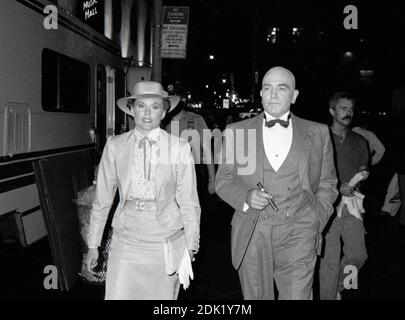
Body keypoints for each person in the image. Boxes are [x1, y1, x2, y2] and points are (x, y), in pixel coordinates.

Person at [215, 66, 338, 300]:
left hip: (300, 229)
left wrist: (316, 219)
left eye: (282, 89)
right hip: (253, 230)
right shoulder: (236, 131)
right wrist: (246, 196)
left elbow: (328, 182)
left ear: (294, 95)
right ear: (260, 94)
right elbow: (224, 179)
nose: (272, 95)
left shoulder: (318, 132)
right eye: (267, 88)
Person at [85, 81, 201, 300]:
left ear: (164, 111)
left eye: (155, 107)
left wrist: (191, 245)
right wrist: (93, 244)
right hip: (125, 239)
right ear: (131, 109)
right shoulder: (115, 145)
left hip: (164, 240)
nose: (147, 113)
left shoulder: (179, 148)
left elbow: (189, 202)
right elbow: (102, 200)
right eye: (141, 106)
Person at [319, 91, 370, 300]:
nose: (348, 112)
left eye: (350, 109)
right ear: (332, 111)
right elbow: (313, 173)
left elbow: (363, 165)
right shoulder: (321, 138)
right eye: (343, 108)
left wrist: (363, 173)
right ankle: (329, 297)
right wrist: (337, 187)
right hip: (328, 205)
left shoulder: (360, 140)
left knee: (359, 256)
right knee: (329, 261)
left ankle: (341, 287)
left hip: (352, 205)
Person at [165, 96, 216, 196]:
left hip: (193, 171)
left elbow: (207, 150)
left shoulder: (196, 119)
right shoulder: (162, 121)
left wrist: (212, 178)